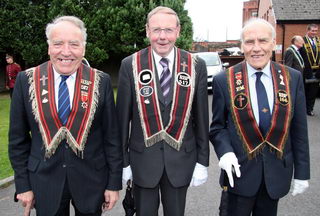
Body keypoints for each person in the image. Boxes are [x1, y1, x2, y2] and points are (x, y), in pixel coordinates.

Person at [8, 16, 123, 216]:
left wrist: (113, 184)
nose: (66, 51)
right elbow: (17, 140)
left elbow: (111, 138)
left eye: (74, 44)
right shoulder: (26, 81)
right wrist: (23, 185)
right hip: (43, 181)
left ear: (83, 49)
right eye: (58, 44)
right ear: (49, 47)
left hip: (91, 179)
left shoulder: (100, 81)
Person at [209, 18, 310, 216]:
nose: (256, 48)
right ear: (241, 45)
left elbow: (299, 129)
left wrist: (302, 174)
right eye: (249, 42)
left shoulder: (292, 78)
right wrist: (225, 152)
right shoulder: (225, 80)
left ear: (274, 43)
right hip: (238, 174)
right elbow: (218, 127)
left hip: (276, 175)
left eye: (263, 41)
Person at [116, 6, 209, 216]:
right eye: (156, 30)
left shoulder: (196, 65)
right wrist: (123, 163)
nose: (162, 37)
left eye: (168, 30)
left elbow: (202, 118)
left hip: (181, 161)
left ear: (178, 31)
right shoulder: (130, 65)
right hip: (142, 163)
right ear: (147, 31)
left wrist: (203, 161)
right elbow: (121, 122)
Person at [299, 24, 320, 116]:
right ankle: (302, 109)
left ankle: (310, 109)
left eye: (316, 31)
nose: (314, 33)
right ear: (308, 31)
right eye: (312, 30)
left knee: (313, 92)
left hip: (317, 71)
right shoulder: (302, 41)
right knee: (304, 91)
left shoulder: (319, 41)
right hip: (306, 71)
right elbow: (300, 56)